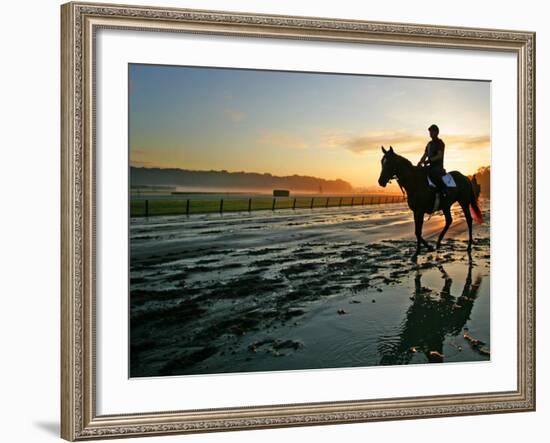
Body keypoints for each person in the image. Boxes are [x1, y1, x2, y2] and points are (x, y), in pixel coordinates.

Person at [418, 124, 447, 197]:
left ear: (436, 132)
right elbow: (425, 155)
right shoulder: (429, 144)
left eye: (432, 131)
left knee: (434, 174)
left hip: (437, 167)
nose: (430, 133)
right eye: (430, 132)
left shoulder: (440, 143)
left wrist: (429, 160)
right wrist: (420, 162)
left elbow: (439, 155)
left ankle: (443, 191)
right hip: (430, 166)